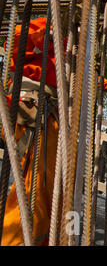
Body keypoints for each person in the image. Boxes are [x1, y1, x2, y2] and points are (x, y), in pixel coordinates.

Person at [1, 17, 61, 246]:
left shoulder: (72, 40)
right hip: (35, 115)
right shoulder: (40, 26)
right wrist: (49, 34)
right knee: (31, 190)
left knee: (49, 192)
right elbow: (15, 41)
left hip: (50, 117)